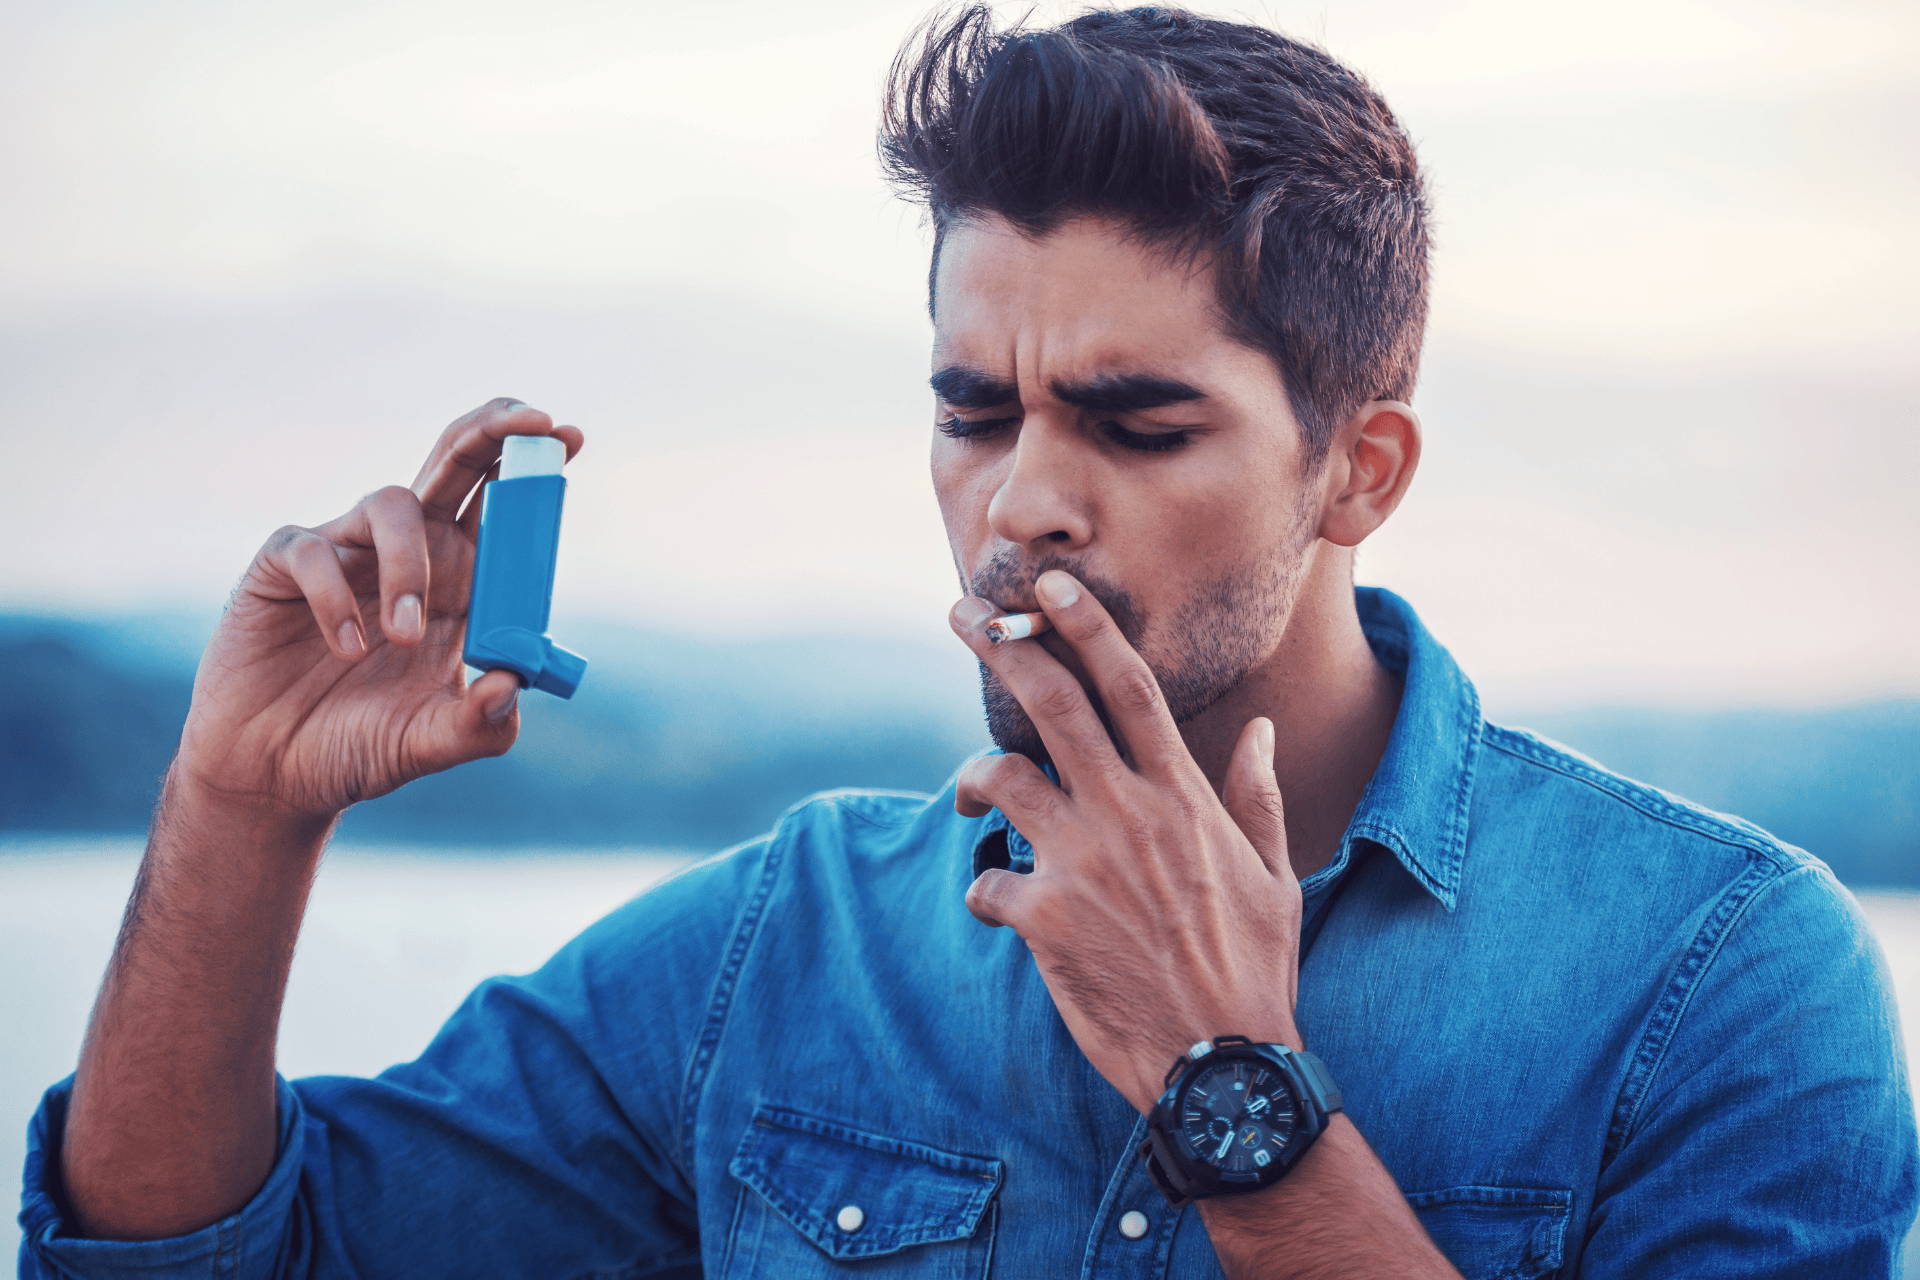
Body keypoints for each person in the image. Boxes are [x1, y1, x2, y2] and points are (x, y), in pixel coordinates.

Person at [20, 6, 1917, 1278]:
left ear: (1360, 469)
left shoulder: (1718, 981)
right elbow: (187, 1256)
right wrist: (232, 816)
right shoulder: (788, 941)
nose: (1019, 503)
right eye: (974, 410)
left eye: (1134, 420)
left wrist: (1232, 1091)